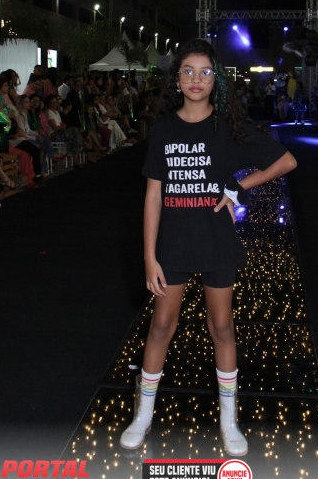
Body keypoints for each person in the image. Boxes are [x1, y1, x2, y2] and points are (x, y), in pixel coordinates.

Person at [119, 39, 297, 455]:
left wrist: (238, 187)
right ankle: (143, 415)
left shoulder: (227, 127)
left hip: (216, 241)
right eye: (188, 71)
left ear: (216, 80)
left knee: (222, 328)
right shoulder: (164, 129)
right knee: (161, 326)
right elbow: (153, 195)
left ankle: (228, 419)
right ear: (176, 79)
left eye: (205, 72)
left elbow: (286, 161)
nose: (196, 79)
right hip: (172, 244)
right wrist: (148, 256)